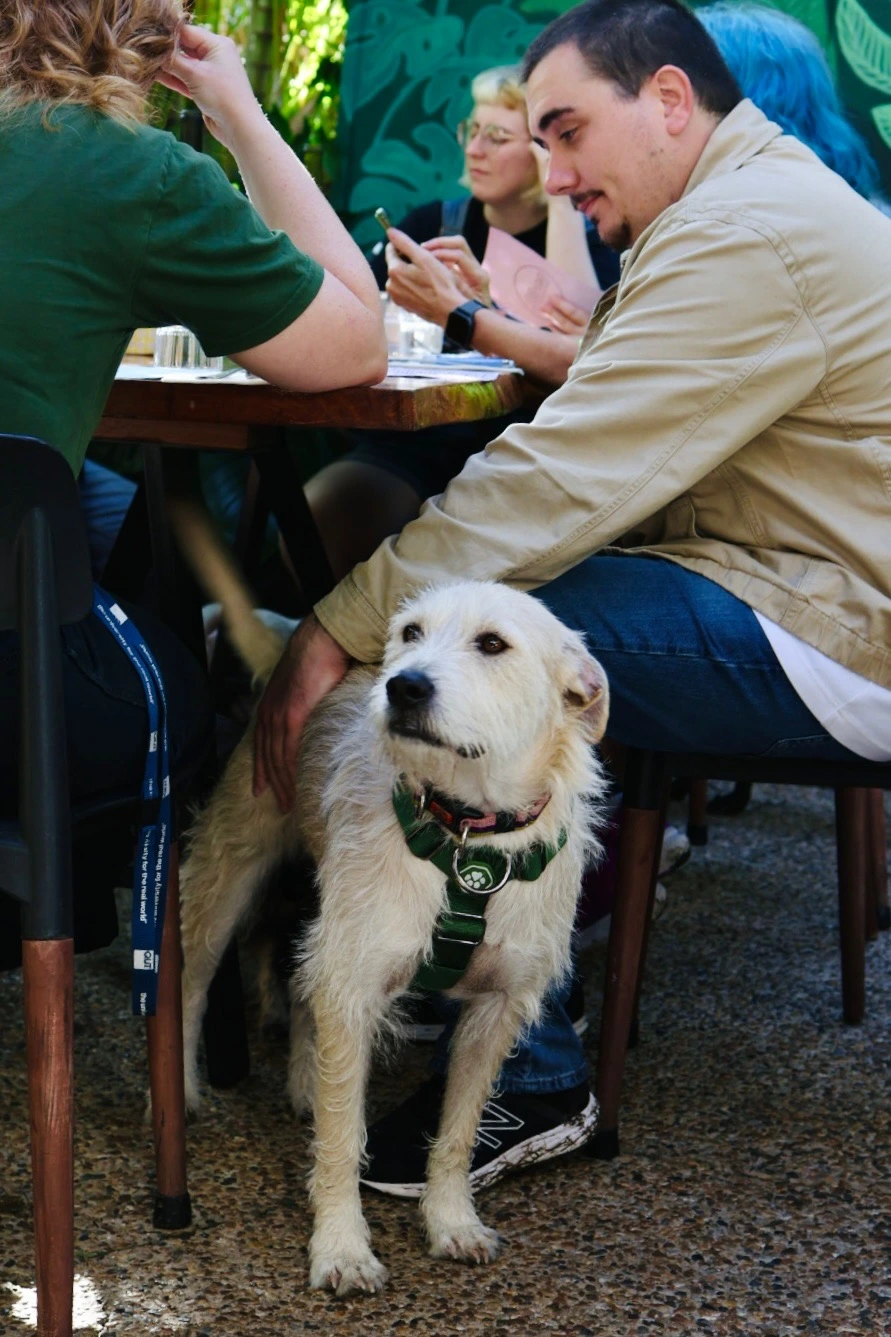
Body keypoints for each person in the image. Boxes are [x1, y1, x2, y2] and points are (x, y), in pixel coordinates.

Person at [246, 0, 891, 1193]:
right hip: (792, 584)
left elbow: (561, 476)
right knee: (495, 606)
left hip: (843, 633)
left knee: (513, 647)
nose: (554, 169)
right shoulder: (740, 207)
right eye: (538, 140)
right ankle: (454, 963)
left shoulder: (753, 228)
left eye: (566, 130)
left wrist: (336, 632)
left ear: (669, 100)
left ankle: (532, 1065)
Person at [0, 1, 386, 965]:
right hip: (14, 695)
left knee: (98, 511)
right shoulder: (114, 166)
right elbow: (355, 344)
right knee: (182, 668)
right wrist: (240, 117)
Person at [301, 63, 621, 583]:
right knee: (316, 517)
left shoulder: (590, 237)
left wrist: (558, 202)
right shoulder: (432, 225)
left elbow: (576, 355)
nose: (474, 148)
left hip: (515, 459)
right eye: (471, 131)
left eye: (497, 136)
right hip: (413, 444)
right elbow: (348, 311)